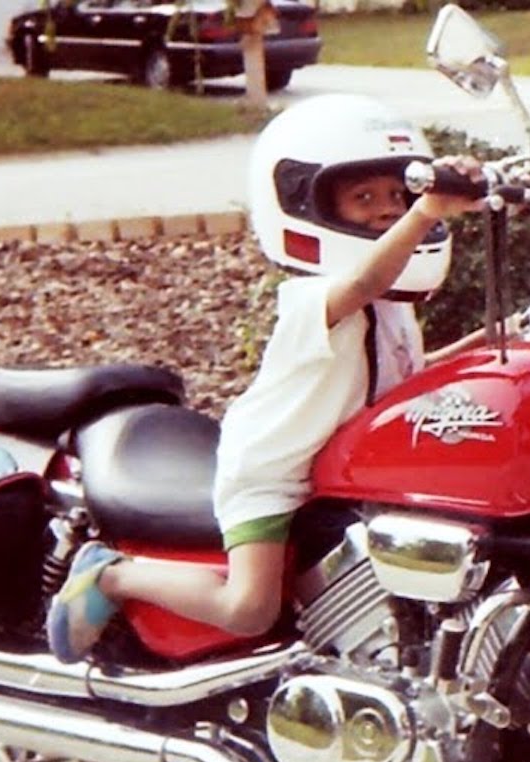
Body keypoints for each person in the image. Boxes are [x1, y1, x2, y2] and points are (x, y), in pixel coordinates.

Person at [46, 95, 482, 663]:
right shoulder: (313, 298)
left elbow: (408, 378)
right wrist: (423, 213)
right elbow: (361, 284)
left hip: (334, 472)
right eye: (364, 198)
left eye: (395, 196)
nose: (385, 209)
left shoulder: (394, 308)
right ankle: (111, 575)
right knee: (250, 607)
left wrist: (509, 334)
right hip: (272, 470)